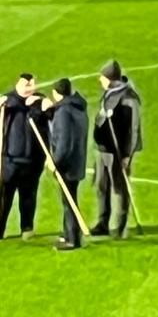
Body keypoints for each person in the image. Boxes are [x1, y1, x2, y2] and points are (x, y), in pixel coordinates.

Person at [90, 60, 142, 240]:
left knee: (119, 189)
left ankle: (120, 226)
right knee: (101, 186)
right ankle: (102, 223)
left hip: (118, 152)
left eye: (102, 77)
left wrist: (128, 154)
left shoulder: (128, 97)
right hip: (102, 150)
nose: (100, 80)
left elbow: (134, 128)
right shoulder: (109, 94)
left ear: (110, 79)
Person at [42, 79, 87, 251]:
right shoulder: (78, 108)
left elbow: (64, 142)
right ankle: (70, 233)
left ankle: (72, 239)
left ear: (56, 93)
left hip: (67, 165)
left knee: (69, 201)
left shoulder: (64, 113)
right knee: (70, 199)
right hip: (77, 161)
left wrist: (55, 162)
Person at [1, 73, 46, 240]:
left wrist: (38, 104)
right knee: (4, 198)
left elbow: (49, 115)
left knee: (28, 198)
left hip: (32, 162)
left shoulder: (39, 101)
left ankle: (27, 228)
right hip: (9, 161)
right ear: (18, 85)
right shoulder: (7, 101)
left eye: (31, 86)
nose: (28, 90)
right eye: (25, 86)